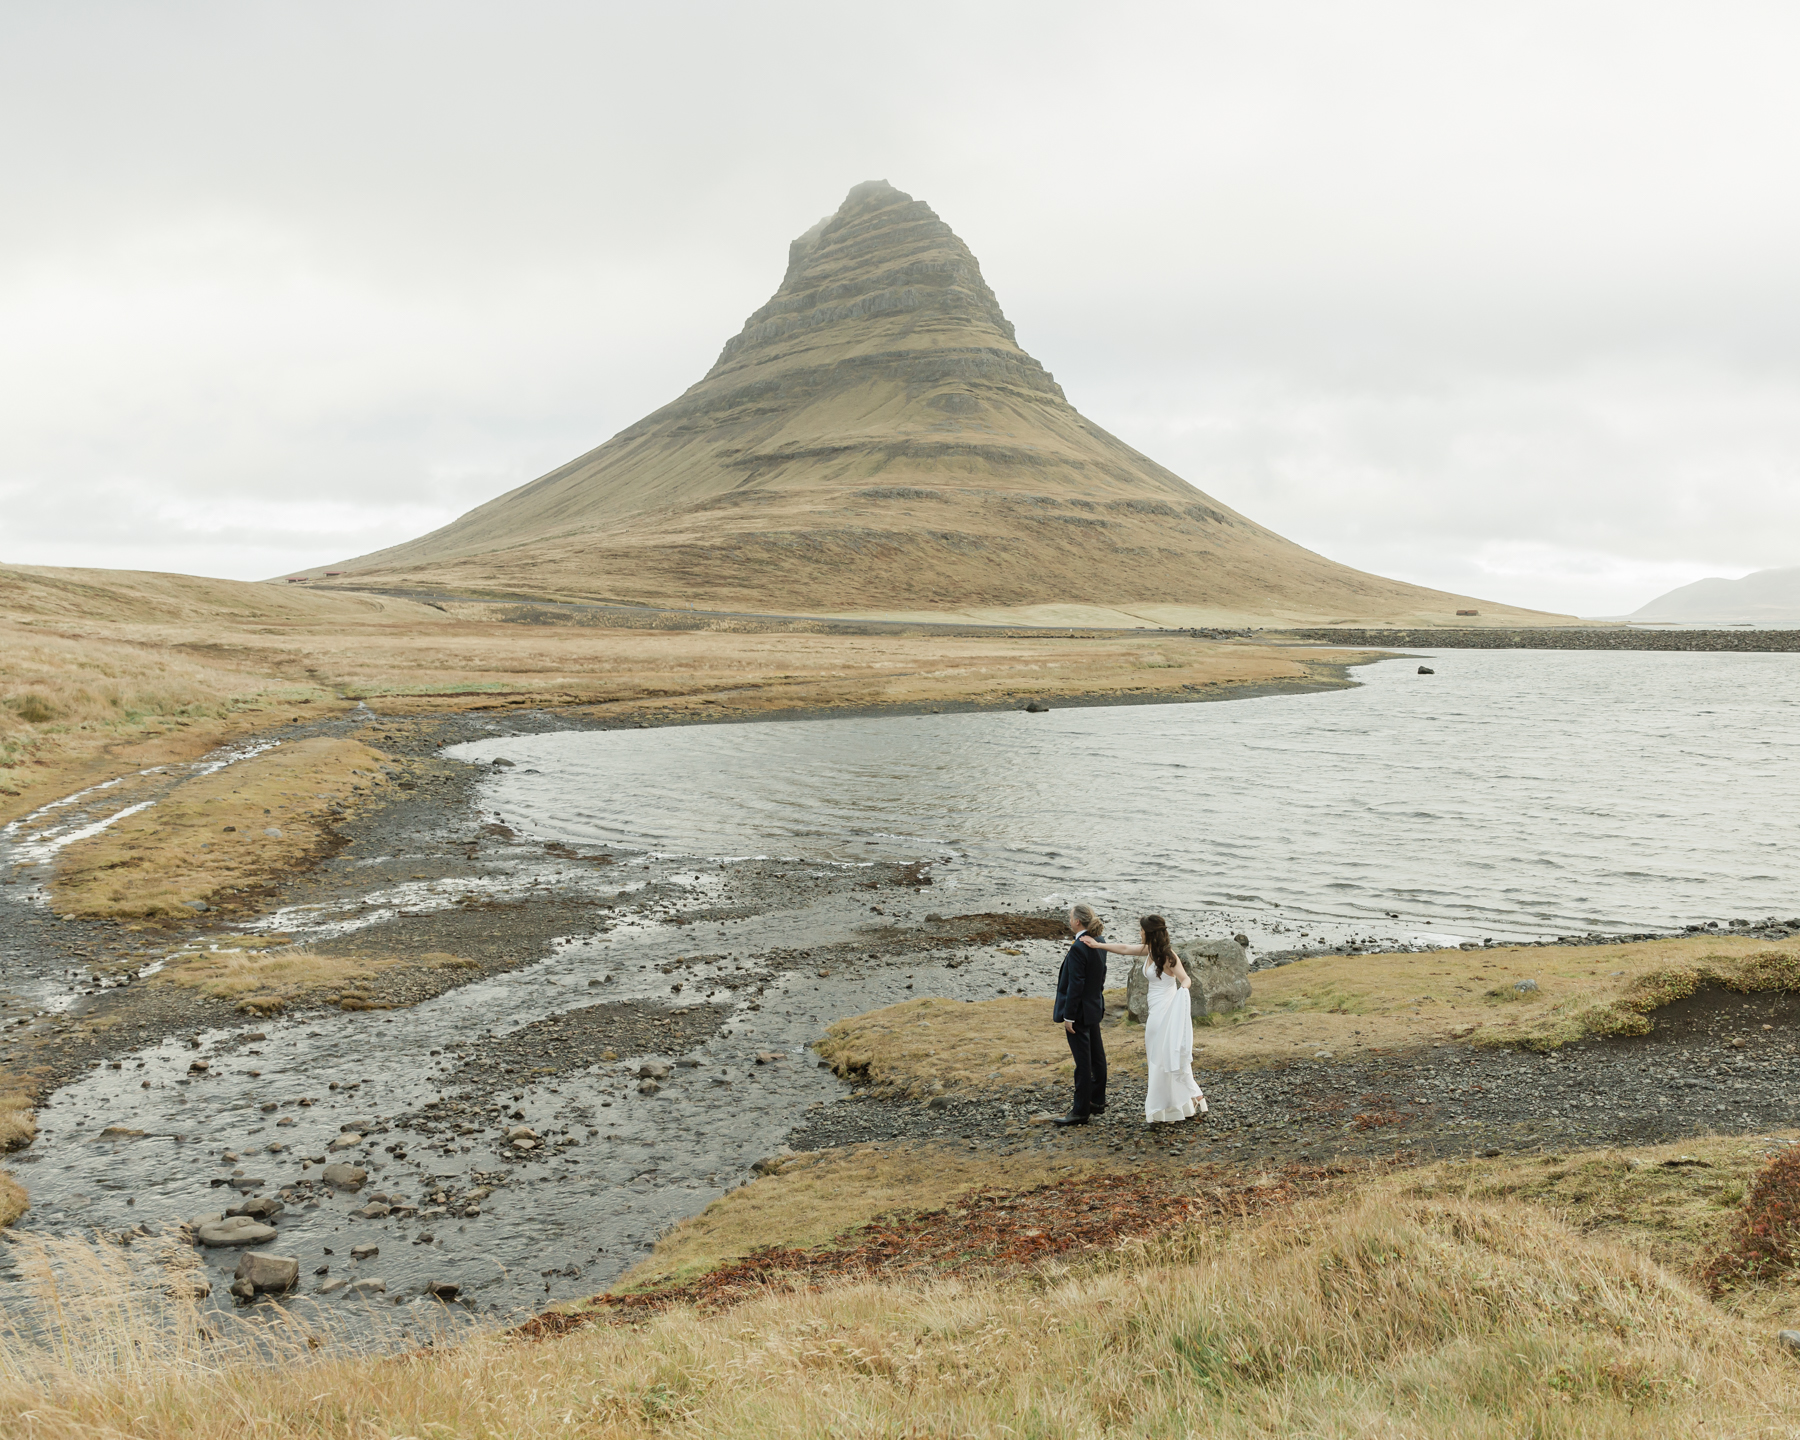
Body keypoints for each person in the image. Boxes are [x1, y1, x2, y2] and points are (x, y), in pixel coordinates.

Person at [1080, 915, 1207, 1124]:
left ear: (1149, 932)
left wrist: (1181, 996)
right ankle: (1184, 1101)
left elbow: (1186, 979)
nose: (1139, 933)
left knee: (1162, 1058)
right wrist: (1097, 945)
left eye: (1141, 930)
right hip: (1155, 1012)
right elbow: (1123, 948)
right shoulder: (1149, 950)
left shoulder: (1168, 956)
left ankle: (1173, 1104)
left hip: (1165, 1014)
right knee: (1159, 1059)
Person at [1051, 903, 1109, 1125]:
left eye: (1070, 916)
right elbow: (1101, 975)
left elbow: (1075, 985)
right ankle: (1097, 1101)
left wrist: (1069, 1016)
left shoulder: (1078, 947)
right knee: (1097, 1057)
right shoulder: (1099, 942)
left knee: (1083, 1062)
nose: (1068, 919)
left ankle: (1080, 1111)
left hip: (1080, 1012)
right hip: (1094, 1006)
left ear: (1077, 922)